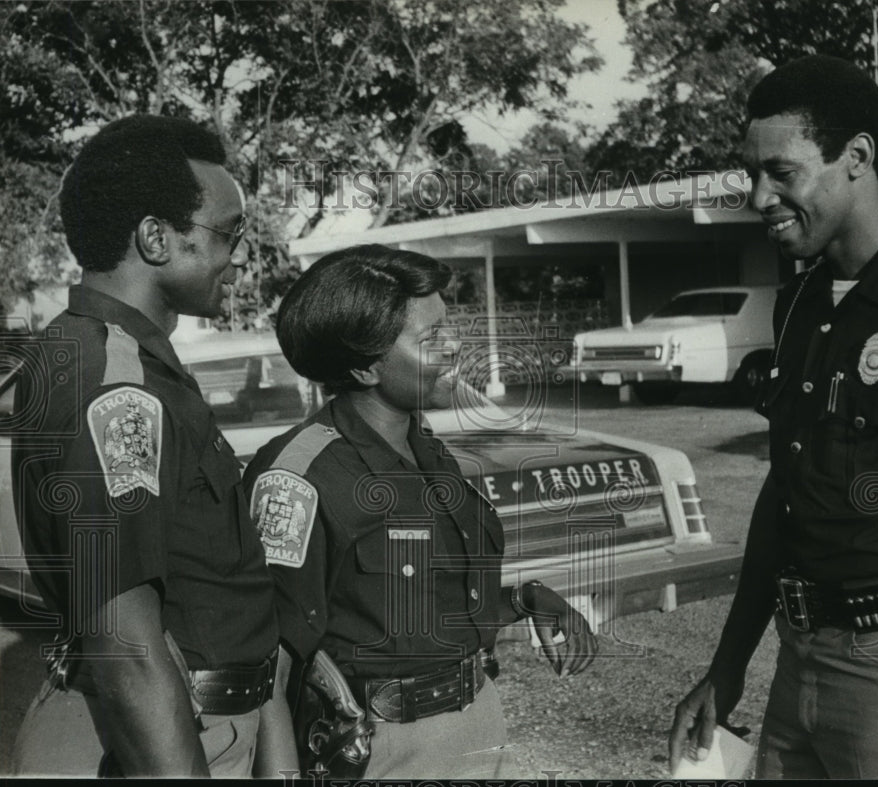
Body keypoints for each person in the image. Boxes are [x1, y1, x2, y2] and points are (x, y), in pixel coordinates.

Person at [668, 55, 878, 779]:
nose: (758, 196)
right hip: (798, 662)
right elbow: (785, 491)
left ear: (856, 158)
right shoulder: (799, 305)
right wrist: (727, 668)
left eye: (781, 172)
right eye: (751, 173)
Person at [242, 244, 598, 779]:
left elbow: (419, 614)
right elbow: (270, 664)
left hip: (479, 727)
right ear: (365, 366)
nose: (456, 346)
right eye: (432, 338)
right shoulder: (298, 477)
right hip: (382, 752)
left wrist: (528, 599)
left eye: (447, 327)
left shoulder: (428, 450)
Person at [9, 115, 296, 777]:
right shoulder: (118, 381)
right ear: (155, 238)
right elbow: (130, 650)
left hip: (194, 725)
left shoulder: (113, 356)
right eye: (229, 233)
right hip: (161, 740)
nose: (239, 256)